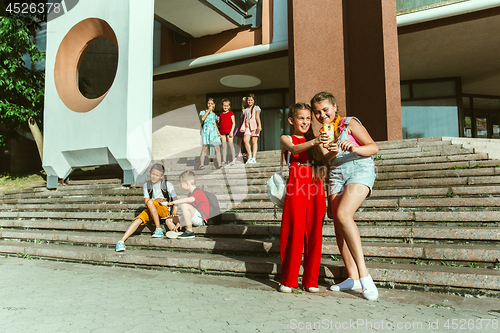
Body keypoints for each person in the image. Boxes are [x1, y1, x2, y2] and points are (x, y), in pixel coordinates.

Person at [311, 91, 379, 301]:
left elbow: (373, 147)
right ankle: (352, 277)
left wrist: (354, 147)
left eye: (325, 110)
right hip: (336, 175)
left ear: (335, 107)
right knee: (338, 227)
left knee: (344, 214)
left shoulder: (349, 123)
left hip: (359, 168)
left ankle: (365, 276)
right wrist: (331, 149)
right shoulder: (322, 133)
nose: (322, 115)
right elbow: (326, 159)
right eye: (317, 112)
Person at [278, 103, 329, 293]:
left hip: (316, 183)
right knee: (294, 229)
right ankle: (289, 279)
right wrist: (316, 142)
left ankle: (311, 281)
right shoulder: (286, 137)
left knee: (315, 230)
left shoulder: (317, 139)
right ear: (292, 120)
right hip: (297, 183)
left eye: (308, 118)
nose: (306, 122)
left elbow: (326, 158)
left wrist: (334, 146)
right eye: (301, 118)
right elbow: (294, 149)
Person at [115, 163, 178, 252]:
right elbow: (146, 203)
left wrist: (174, 211)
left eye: (157, 175)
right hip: (151, 207)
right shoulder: (146, 185)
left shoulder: (168, 185)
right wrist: (156, 200)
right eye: (152, 174)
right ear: (150, 173)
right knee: (138, 219)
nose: (154, 177)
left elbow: (176, 199)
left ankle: (158, 228)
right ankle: (121, 241)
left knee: (151, 201)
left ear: (161, 176)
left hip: (164, 210)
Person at [166, 170, 209, 239]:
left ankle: (189, 231)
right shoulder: (189, 194)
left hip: (200, 219)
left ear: (187, 183)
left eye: (181, 184)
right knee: (168, 220)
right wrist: (179, 223)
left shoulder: (199, 192)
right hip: (192, 216)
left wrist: (173, 202)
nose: (181, 186)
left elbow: (189, 200)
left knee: (184, 205)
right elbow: (186, 212)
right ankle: (175, 232)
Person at [199, 98, 222, 169]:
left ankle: (219, 165)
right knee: (204, 147)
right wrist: (208, 110)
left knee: (217, 148)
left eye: (211, 103)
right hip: (206, 130)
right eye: (209, 103)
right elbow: (203, 119)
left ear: (214, 104)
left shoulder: (214, 115)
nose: (210, 105)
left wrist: (219, 133)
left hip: (213, 131)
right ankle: (201, 164)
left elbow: (215, 124)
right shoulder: (203, 112)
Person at [240, 94, 261, 164]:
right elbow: (244, 119)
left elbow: (257, 116)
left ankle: (254, 158)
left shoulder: (256, 108)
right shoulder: (245, 110)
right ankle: (250, 156)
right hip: (247, 126)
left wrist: (259, 125)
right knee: (245, 140)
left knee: (254, 142)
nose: (250, 101)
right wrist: (242, 127)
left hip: (254, 125)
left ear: (254, 101)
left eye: (251, 100)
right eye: (248, 100)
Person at [218, 99, 236, 165]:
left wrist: (231, 131)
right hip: (222, 132)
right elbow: (220, 123)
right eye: (224, 106)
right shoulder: (221, 114)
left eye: (227, 106)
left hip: (229, 131)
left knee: (231, 145)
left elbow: (234, 123)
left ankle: (233, 159)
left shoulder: (231, 113)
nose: (225, 107)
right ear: (222, 106)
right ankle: (224, 160)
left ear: (229, 106)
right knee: (224, 146)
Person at [233, 97, 247, 161]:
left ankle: (247, 153)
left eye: (245, 101)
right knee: (239, 138)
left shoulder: (250, 109)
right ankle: (239, 153)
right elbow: (242, 117)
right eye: (243, 102)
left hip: (247, 124)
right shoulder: (243, 109)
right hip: (242, 123)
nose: (244, 103)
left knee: (246, 139)